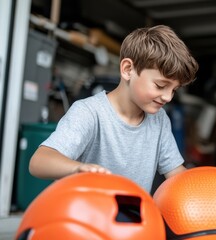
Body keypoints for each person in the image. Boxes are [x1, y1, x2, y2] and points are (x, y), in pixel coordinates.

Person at [29, 25, 199, 193]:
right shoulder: (89, 112)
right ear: (127, 70)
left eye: (174, 90)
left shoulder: (159, 120)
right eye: (160, 85)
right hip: (86, 217)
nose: (168, 97)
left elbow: (176, 176)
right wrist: (79, 169)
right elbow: (39, 161)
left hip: (132, 217)